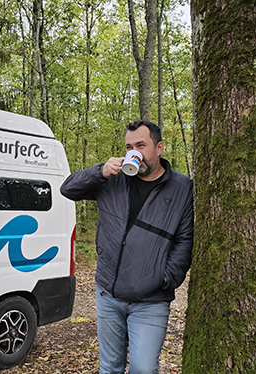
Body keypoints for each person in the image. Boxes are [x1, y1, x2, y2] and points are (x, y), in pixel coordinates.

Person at [60, 120, 193, 374]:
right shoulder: (112, 179)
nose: (134, 152)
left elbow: (185, 240)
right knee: (109, 368)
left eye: (141, 145)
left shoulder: (182, 188)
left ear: (159, 147)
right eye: (129, 146)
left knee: (143, 370)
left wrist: (165, 278)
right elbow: (67, 189)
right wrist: (100, 171)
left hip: (150, 300)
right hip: (108, 296)